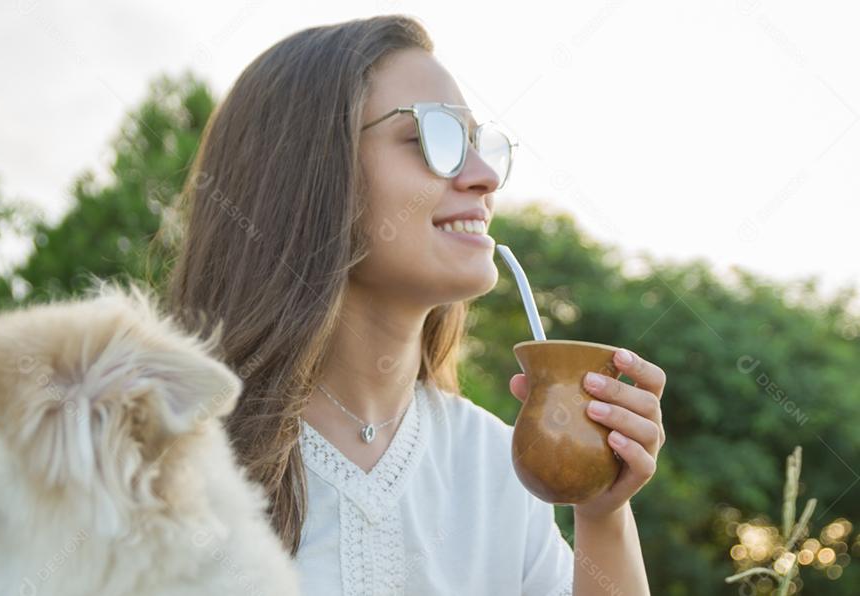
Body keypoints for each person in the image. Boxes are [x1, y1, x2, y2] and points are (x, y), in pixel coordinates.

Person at [168, 14, 667, 596]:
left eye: (480, 145)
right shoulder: (159, 453)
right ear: (309, 170)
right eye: (437, 137)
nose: (484, 178)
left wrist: (601, 513)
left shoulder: (497, 468)